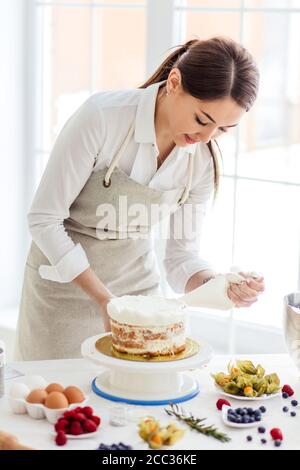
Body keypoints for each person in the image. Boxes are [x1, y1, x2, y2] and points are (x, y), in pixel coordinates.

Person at [15, 36, 265, 361]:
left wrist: (218, 283)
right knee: (61, 404)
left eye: (223, 129)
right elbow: (43, 219)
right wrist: (105, 301)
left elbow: (180, 259)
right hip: (63, 296)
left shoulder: (200, 162)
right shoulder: (103, 118)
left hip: (138, 300)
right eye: (202, 119)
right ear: (174, 82)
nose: (206, 137)